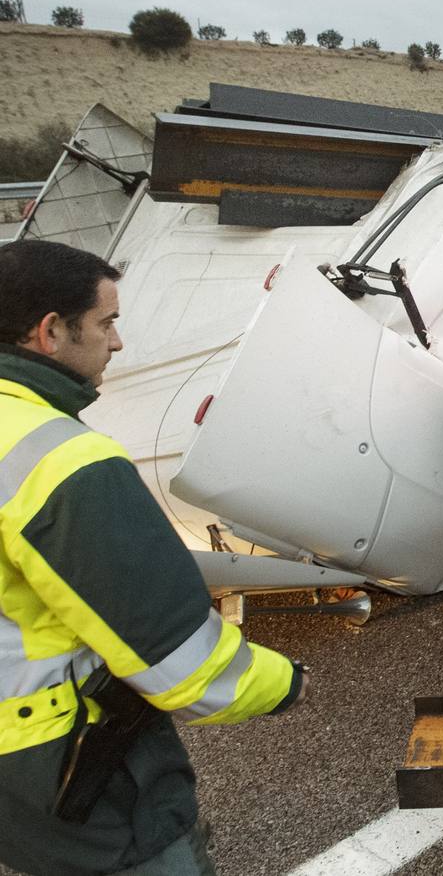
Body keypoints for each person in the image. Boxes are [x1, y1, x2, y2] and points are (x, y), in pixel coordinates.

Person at [0, 240, 307, 875]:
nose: (116, 343)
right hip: (72, 771)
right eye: (107, 322)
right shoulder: (62, 462)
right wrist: (283, 683)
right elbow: (182, 664)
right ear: (50, 332)